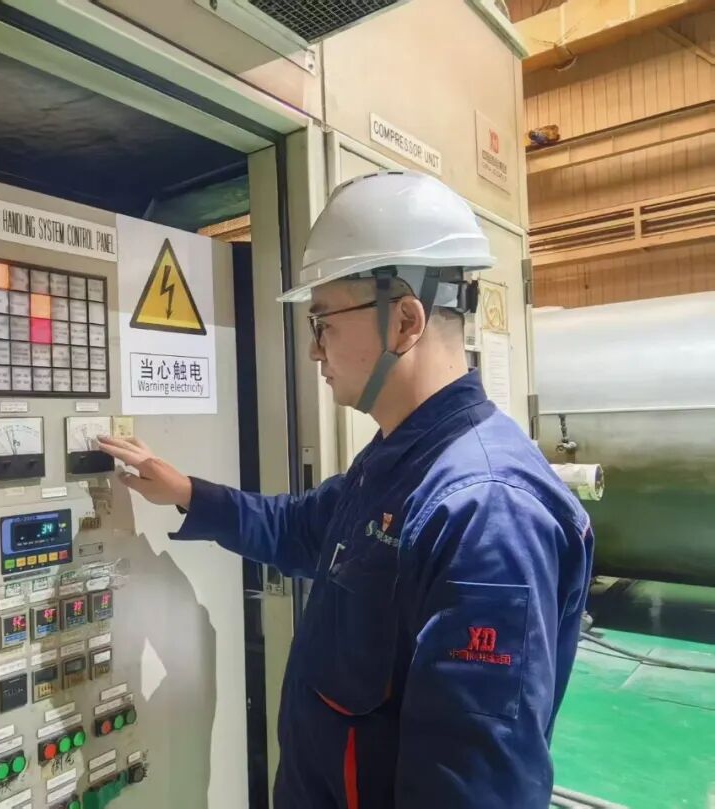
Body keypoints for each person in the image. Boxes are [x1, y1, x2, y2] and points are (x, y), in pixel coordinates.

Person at [99, 171, 594, 809]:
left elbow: (471, 786)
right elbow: (300, 528)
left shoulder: (485, 509)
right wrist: (186, 491)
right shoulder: (400, 459)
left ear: (404, 322)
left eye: (323, 322)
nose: (314, 351)